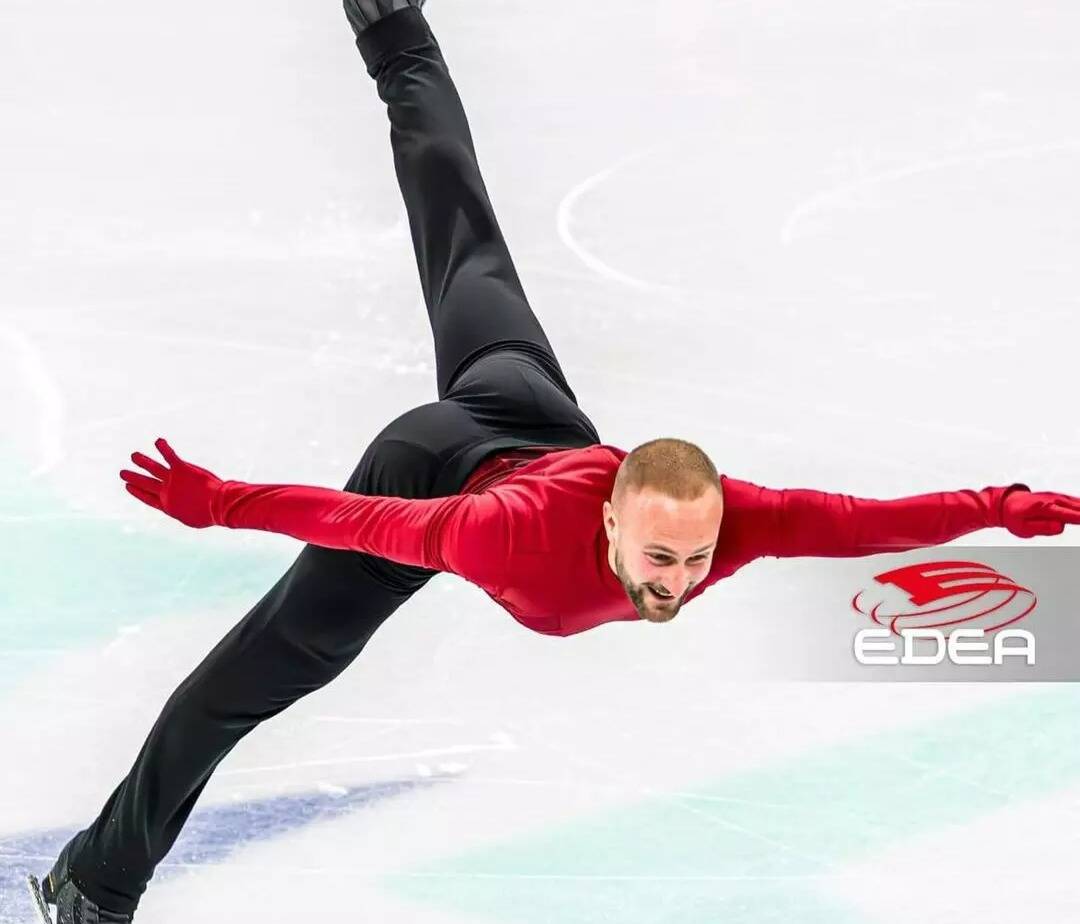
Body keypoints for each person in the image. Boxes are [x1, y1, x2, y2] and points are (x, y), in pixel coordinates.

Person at [37, 2, 1080, 921]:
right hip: (433, 472)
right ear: (613, 520)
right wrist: (221, 502)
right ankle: (95, 885)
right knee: (241, 684)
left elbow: (862, 522)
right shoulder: (504, 535)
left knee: (463, 222)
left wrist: (1002, 505)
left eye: (692, 561)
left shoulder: (730, 522)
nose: (676, 583)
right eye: (661, 558)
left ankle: (391, 21)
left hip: (533, 414)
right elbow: (361, 525)